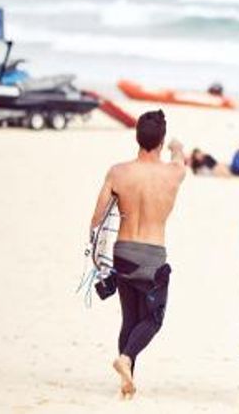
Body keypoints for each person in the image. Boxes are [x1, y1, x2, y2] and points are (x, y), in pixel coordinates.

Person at [86, 110, 186, 399]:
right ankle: (126, 359)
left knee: (130, 319)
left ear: (137, 138)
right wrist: (176, 146)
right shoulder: (174, 173)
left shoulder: (118, 172)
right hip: (153, 255)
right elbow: (180, 158)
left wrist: (98, 258)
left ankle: (127, 380)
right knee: (153, 319)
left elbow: (97, 219)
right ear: (161, 141)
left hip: (123, 252)